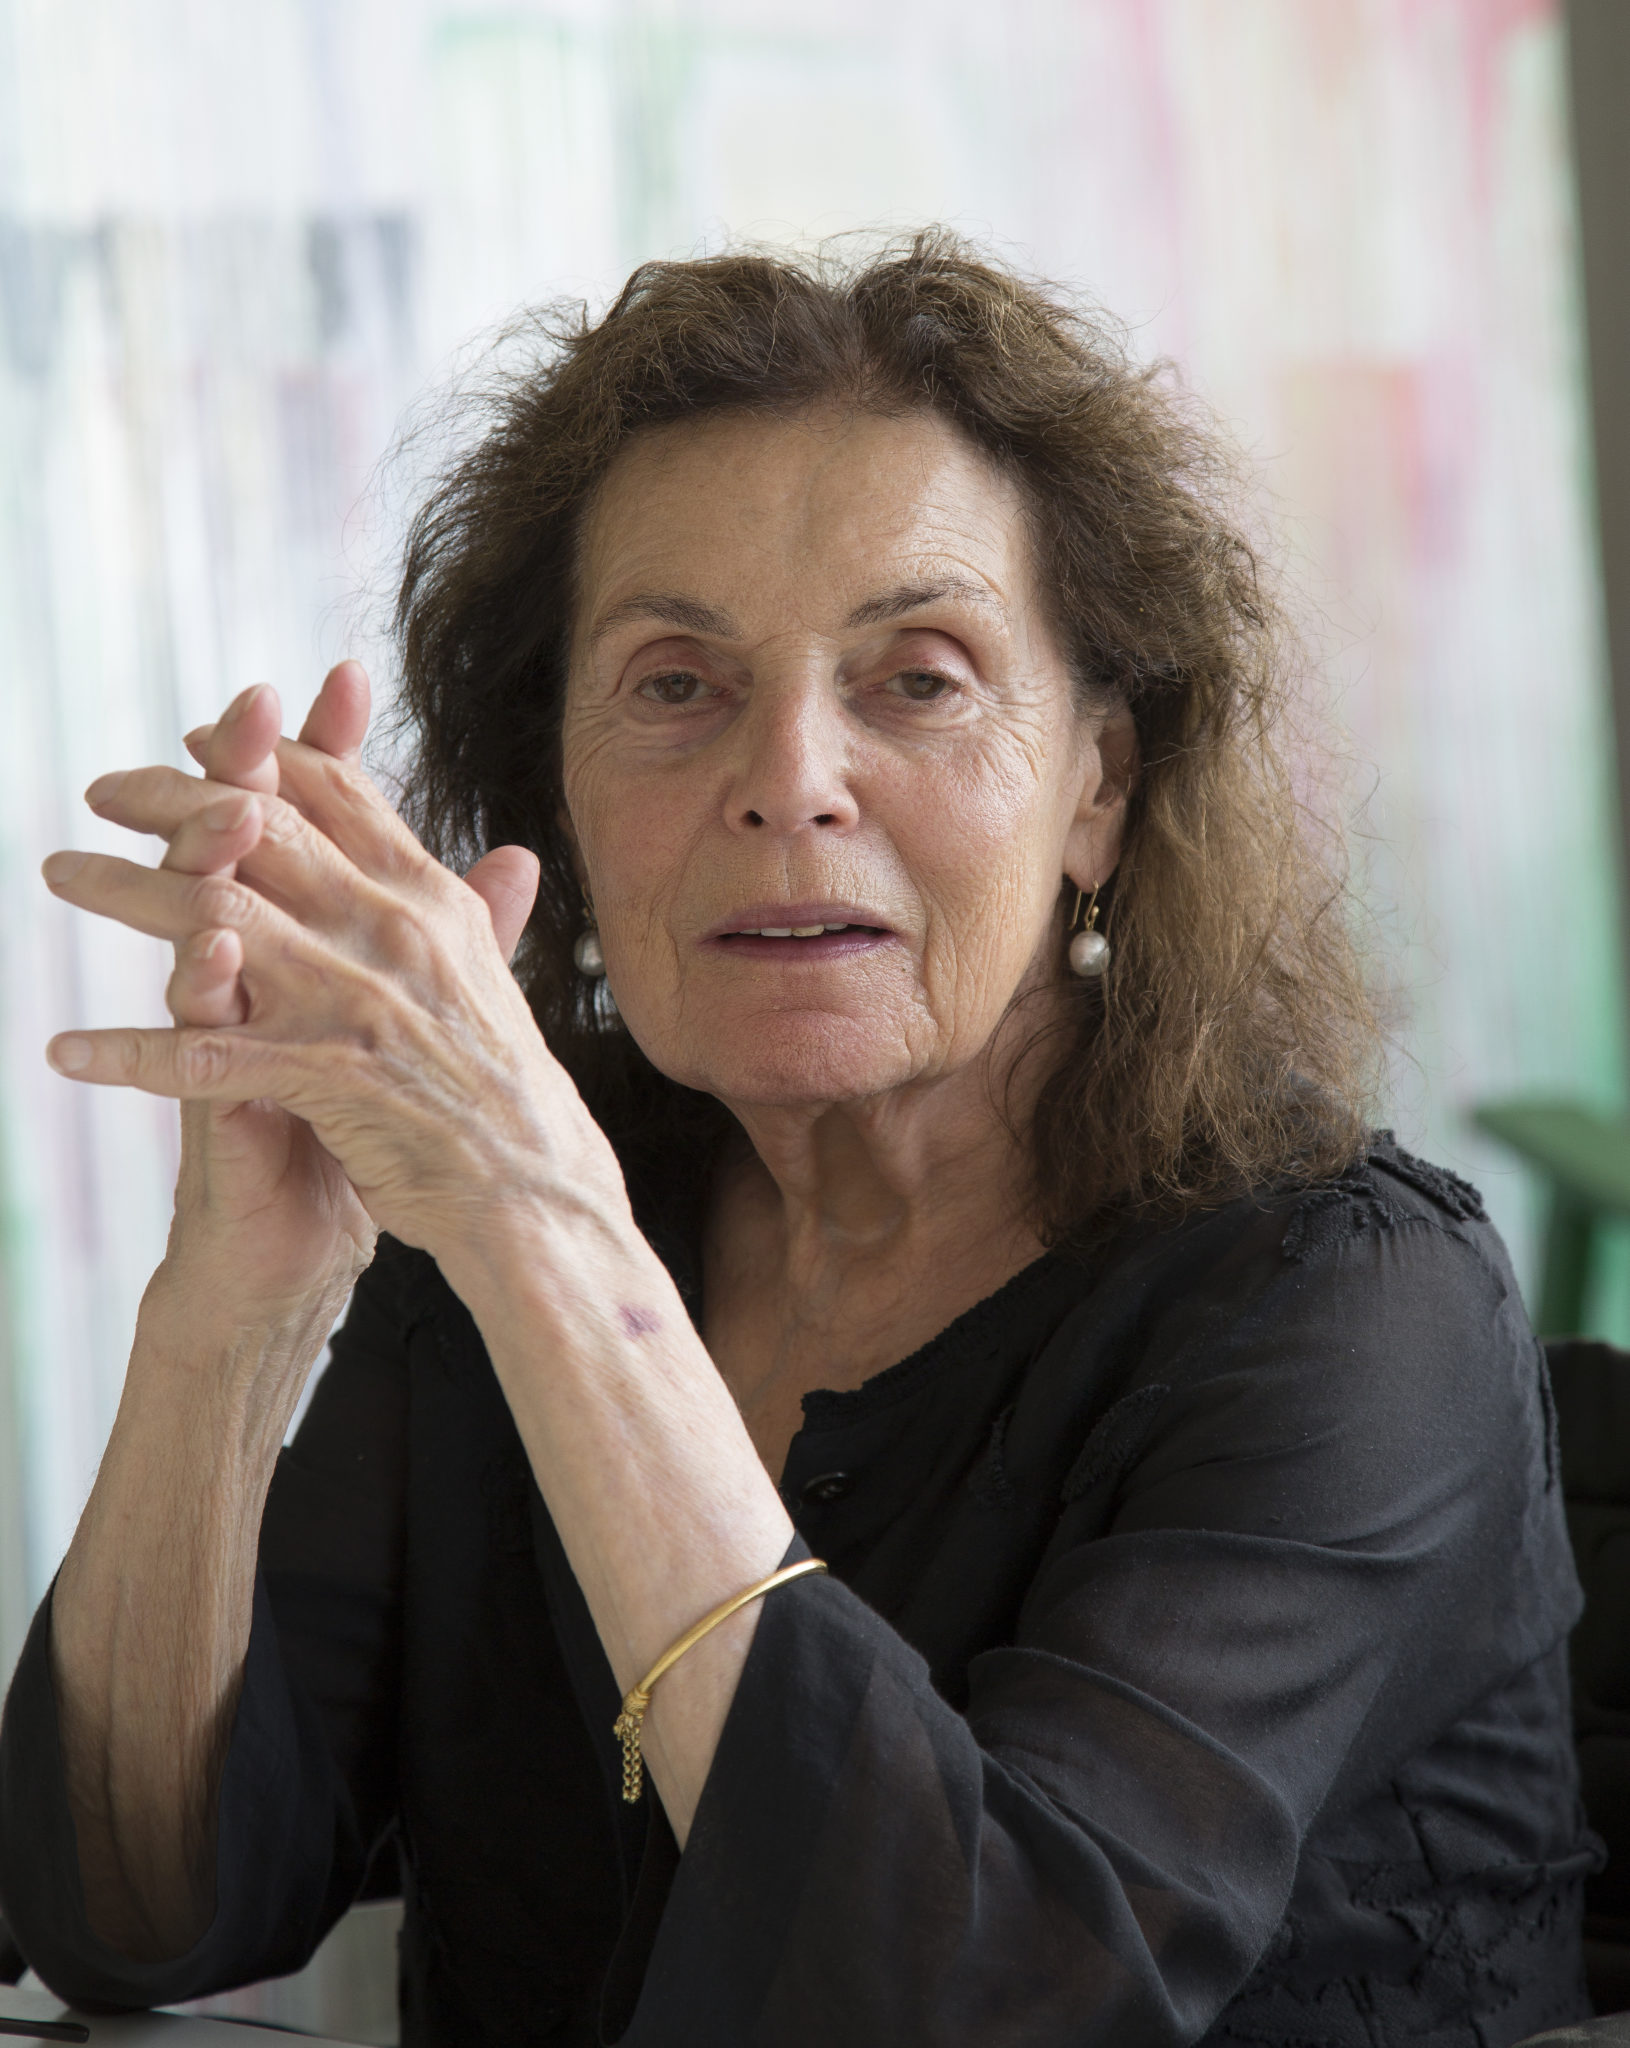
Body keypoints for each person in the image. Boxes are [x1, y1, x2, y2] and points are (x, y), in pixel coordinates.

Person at [0, 235, 1597, 2047]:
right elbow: (126, 1914)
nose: (788, 775)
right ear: (561, 798)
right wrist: (238, 1307)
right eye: (674, 684)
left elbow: (975, 2000)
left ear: (1099, 786)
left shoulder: (1357, 1303)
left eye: (917, 678)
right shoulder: (516, 1218)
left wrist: (535, 1217)